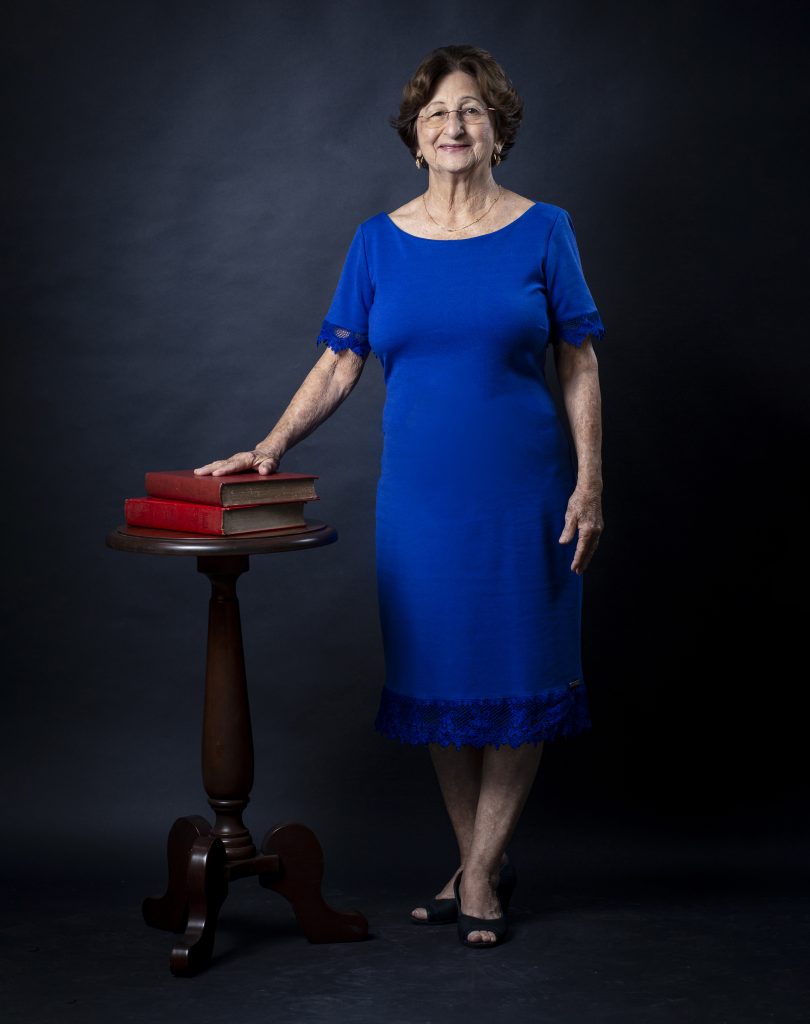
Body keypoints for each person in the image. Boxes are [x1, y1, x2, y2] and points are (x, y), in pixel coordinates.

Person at [195, 43, 606, 949]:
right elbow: (341, 360)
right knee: (442, 687)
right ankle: (477, 865)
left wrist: (591, 480)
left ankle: (481, 881)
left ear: (497, 130)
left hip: (526, 496)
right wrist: (268, 446)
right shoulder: (377, 241)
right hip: (420, 505)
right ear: (415, 140)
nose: (453, 127)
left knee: (519, 681)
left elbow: (577, 357)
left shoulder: (546, 230)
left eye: (470, 112)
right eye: (436, 116)